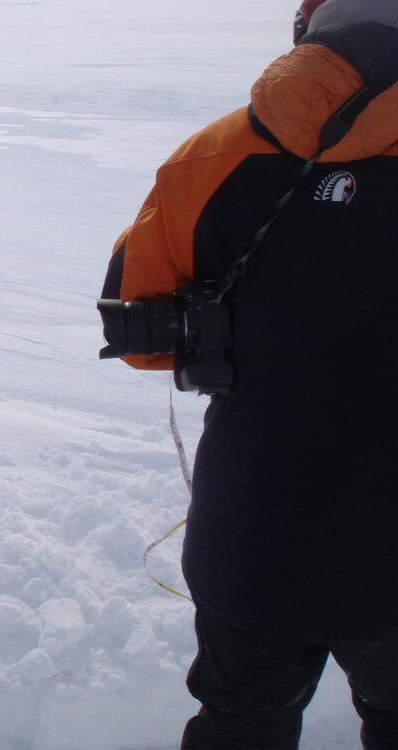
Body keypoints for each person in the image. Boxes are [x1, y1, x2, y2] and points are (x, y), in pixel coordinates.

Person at [98, 1, 398, 748]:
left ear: (311, 29)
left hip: (257, 528)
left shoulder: (214, 156)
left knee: (242, 721)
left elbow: (137, 330)